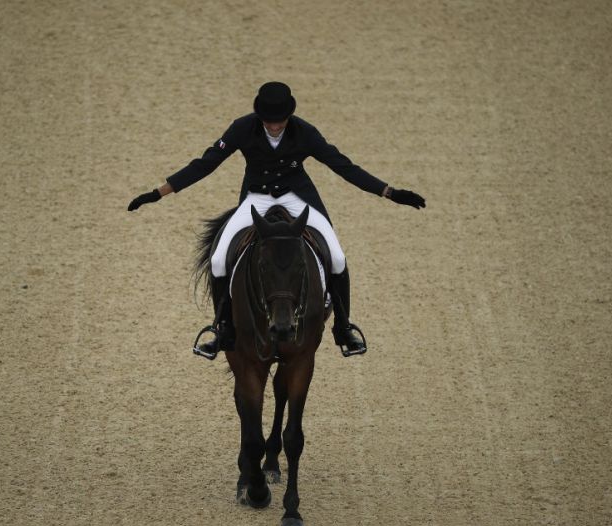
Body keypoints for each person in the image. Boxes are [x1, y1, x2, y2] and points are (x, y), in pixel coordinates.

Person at [128, 81, 425, 358]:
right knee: (219, 259)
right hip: (256, 197)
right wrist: (159, 193)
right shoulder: (243, 128)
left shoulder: (305, 132)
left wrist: (389, 192)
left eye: (278, 122)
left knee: (337, 256)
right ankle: (222, 329)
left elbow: (343, 165)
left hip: (297, 197)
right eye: (268, 121)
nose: (273, 127)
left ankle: (343, 328)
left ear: (288, 116)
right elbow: (206, 163)